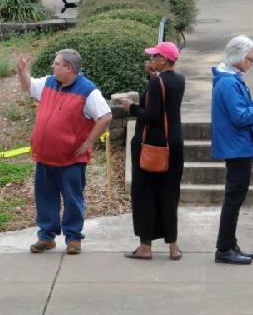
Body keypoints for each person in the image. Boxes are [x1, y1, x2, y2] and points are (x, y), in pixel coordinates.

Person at [17, 49, 112, 255]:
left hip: (71, 159)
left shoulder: (88, 91)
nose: (53, 66)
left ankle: (73, 238)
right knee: (45, 197)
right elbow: (28, 86)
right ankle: (46, 237)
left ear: (68, 68)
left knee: (72, 199)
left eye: (56, 63)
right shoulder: (50, 82)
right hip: (45, 156)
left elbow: (105, 116)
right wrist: (22, 71)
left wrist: (88, 142)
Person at [117, 41, 186, 261]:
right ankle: (173, 247)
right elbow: (163, 104)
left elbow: (152, 115)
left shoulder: (158, 83)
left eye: (155, 56)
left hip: (152, 147)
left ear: (164, 60)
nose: (151, 59)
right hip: (174, 144)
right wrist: (151, 78)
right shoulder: (179, 80)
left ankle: (145, 246)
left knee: (145, 194)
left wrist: (131, 106)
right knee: (169, 194)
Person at [210, 35, 253, 265]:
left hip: (238, 145)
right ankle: (225, 247)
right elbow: (239, 117)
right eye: (249, 59)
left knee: (234, 199)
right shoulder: (229, 82)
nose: (251, 63)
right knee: (233, 199)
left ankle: (229, 244)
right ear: (237, 58)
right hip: (237, 146)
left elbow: (238, 111)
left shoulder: (230, 79)